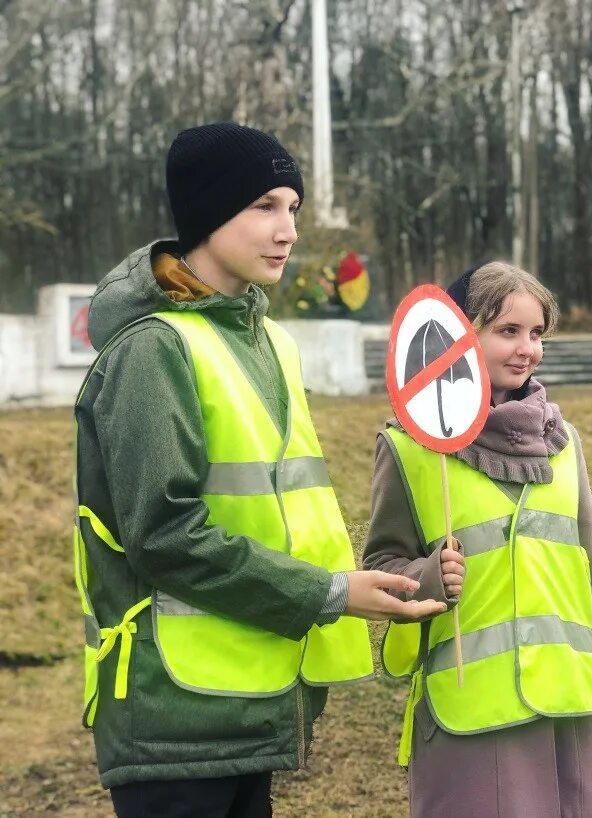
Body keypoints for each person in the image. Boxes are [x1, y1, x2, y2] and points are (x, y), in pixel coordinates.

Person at [73, 122, 445, 818]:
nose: (288, 231)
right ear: (208, 216)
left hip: (249, 703)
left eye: (293, 209)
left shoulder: (267, 340)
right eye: (265, 206)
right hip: (173, 714)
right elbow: (164, 535)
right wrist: (329, 593)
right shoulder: (153, 351)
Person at [363, 261, 592, 818]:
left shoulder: (564, 445)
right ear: (462, 336)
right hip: (474, 718)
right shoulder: (410, 449)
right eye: (507, 331)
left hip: (575, 709)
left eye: (536, 334)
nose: (527, 348)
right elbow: (382, 565)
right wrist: (428, 577)